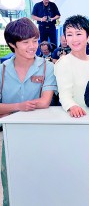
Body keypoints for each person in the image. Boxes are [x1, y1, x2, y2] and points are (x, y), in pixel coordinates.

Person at [0, 17, 57, 206]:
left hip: (40, 133)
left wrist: (7, 109)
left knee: (42, 182)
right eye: (26, 42)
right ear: (12, 44)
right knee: (11, 181)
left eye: (35, 40)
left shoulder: (47, 67)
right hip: (9, 136)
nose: (33, 46)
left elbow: (45, 101)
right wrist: (19, 107)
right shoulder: (2, 70)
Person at [54, 15, 89, 118]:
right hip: (76, 116)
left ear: (88, 37)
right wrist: (72, 106)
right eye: (69, 35)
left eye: (78, 34)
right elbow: (64, 94)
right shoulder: (63, 63)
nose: (74, 39)